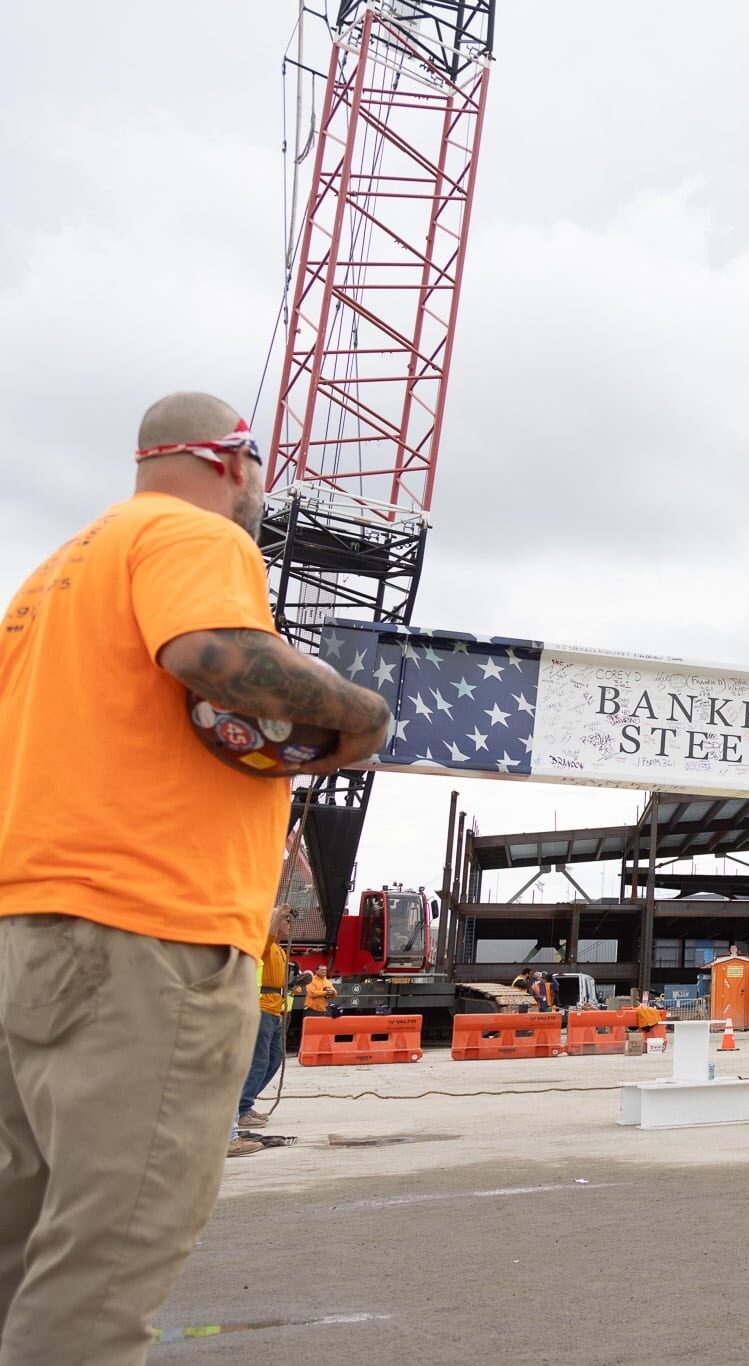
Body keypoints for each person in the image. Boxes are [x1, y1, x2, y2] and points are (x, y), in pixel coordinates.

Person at [0, 391, 391, 1363]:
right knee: (105, 1268)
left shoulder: (47, 580)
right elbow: (211, 654)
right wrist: (358, 716)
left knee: (21, 1245)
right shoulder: (196, 535)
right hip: (144, 935)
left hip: (28, 927)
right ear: (234, 461)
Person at [233, 904, 297, 1144]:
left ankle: (246, 1103)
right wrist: (276, 916)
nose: (288, 926)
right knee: (259, 1061)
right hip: (261, 1009)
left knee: (273, 1059)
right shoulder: (265, 945)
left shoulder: (279, 951)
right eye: (285, 922)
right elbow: (267, 937)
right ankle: (242, 1108)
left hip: (274, 1009)